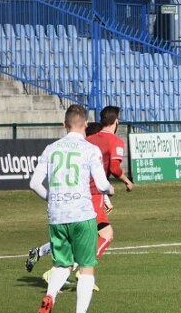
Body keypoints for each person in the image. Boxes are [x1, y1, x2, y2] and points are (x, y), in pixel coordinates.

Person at [26, 106, 133, 288]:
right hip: (90, 196)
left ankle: (40, 252)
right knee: (104, 235)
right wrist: (125, 182)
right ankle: (79, 272)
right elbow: (112, 169)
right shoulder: (113, 141)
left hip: (85, 195)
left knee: (75, 235)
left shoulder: (88, 140)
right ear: (116, 121)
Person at [29, 104, 114, 313]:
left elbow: (34, 184)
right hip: (83, 214)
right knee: (86, 266)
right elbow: (102, 182)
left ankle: (50, 296)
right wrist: (110, 191)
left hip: (57, 216)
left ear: (64, 125)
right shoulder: (90, 149)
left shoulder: (51, 149)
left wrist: (52, 198)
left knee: (62, 264)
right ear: (85, 124)